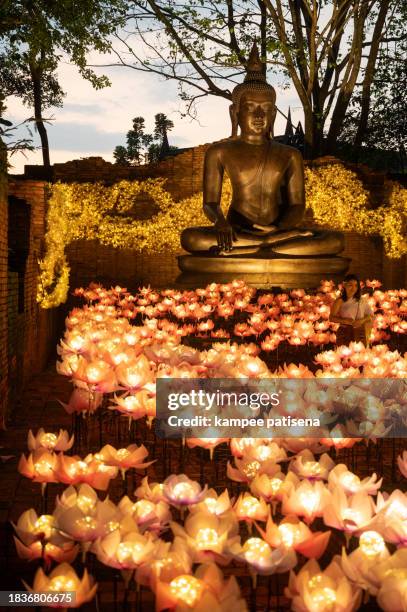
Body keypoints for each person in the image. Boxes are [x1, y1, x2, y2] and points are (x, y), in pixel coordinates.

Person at [330, 274, 374, 346]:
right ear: (344, 285)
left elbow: (370, 316)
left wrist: (362, 320)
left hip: (360, 332)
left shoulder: (361, 300)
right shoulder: (340, 301)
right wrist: (345, 321)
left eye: (356, 285)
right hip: (344, 332)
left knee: (359, 355)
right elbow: (331, 318)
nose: (353, 288)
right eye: (350, 285)